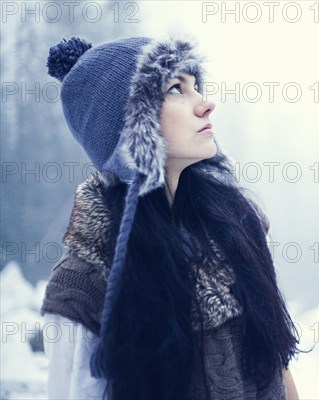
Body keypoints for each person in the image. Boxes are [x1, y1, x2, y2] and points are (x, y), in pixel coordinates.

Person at [40, 34, 302, 399]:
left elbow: (278, 368)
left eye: (197, 86)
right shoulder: (84, 283)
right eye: (177, 89)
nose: (206, 103)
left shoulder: (237, 227)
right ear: (130, 127)